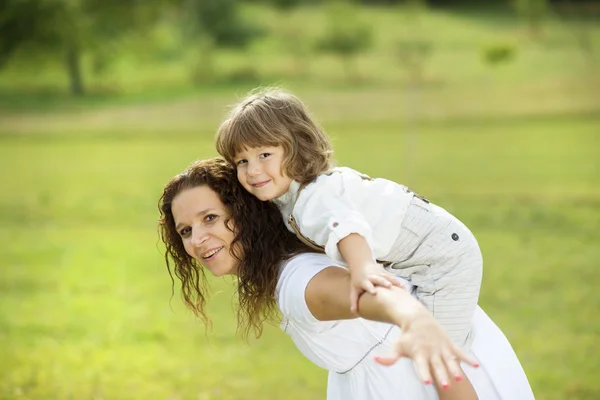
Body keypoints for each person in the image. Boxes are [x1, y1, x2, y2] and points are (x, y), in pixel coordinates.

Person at [157, 158, 535, 400]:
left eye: (210, 218)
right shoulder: (295, 262)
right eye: (185, 230)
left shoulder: (297, 281)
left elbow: (378, 295)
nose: (198, 239)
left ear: (246, 212)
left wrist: (415, 320)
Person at [215, 88, 482, 350]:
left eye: (264, 155)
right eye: (242, 161)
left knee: (438, 354)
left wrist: (362, 266)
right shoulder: (287, 197)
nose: (253, 170)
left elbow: (345, 226)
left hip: (442, 258)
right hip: (420, 250)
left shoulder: (316, 195)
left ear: (297, 147)